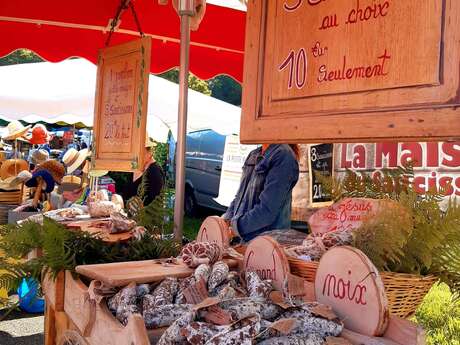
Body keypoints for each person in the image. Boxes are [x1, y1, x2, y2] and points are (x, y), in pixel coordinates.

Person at [222, 144, 300, 242]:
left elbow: (267, 210)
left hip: (267, 244)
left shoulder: (284, 155)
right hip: (242, 241)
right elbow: (239, 196)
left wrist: (233, 229)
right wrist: (225, 221)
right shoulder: (254, 154)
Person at [122, 137, 164, 205]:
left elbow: (155, 203)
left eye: (140, 151)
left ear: (150, 152)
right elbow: (127, 192)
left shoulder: (155, 172)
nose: (135, 155)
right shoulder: (136, 167)